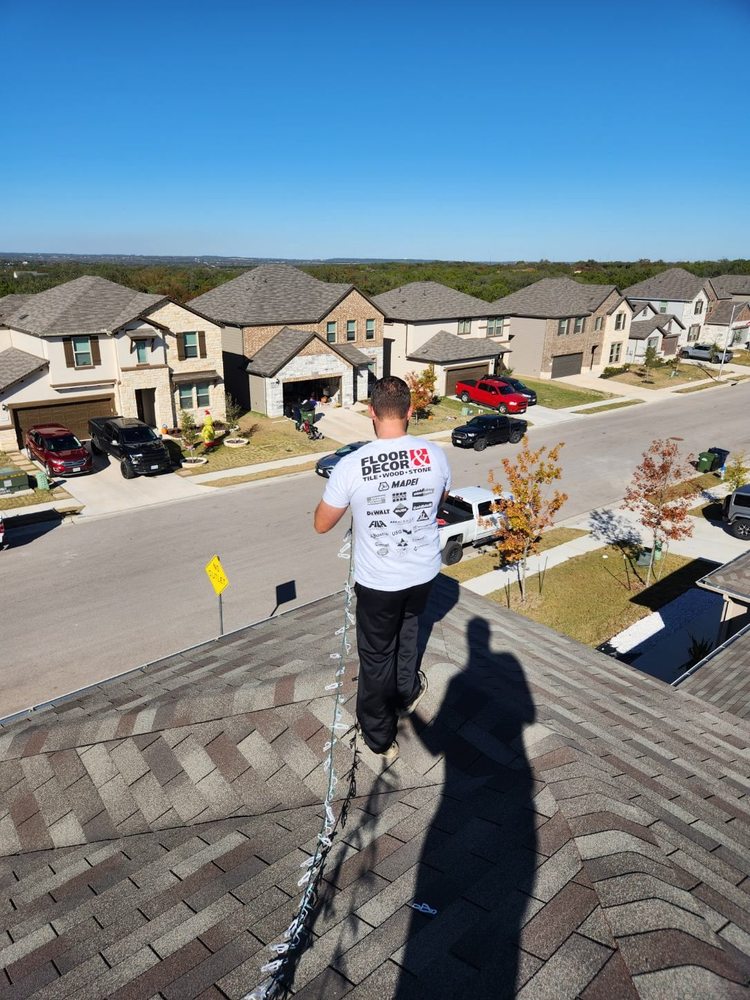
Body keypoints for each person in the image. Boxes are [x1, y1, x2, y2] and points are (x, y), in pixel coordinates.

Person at [314, 376, 451, 765]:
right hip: (424, 573)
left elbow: (321, 524)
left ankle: (379, 736)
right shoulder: (434, 455)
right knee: (409, 629)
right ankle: (405, 692)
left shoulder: (351, 465)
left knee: (377, 656)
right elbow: (438, 502)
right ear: (410, 411)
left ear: (371, 412)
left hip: (379, 583)